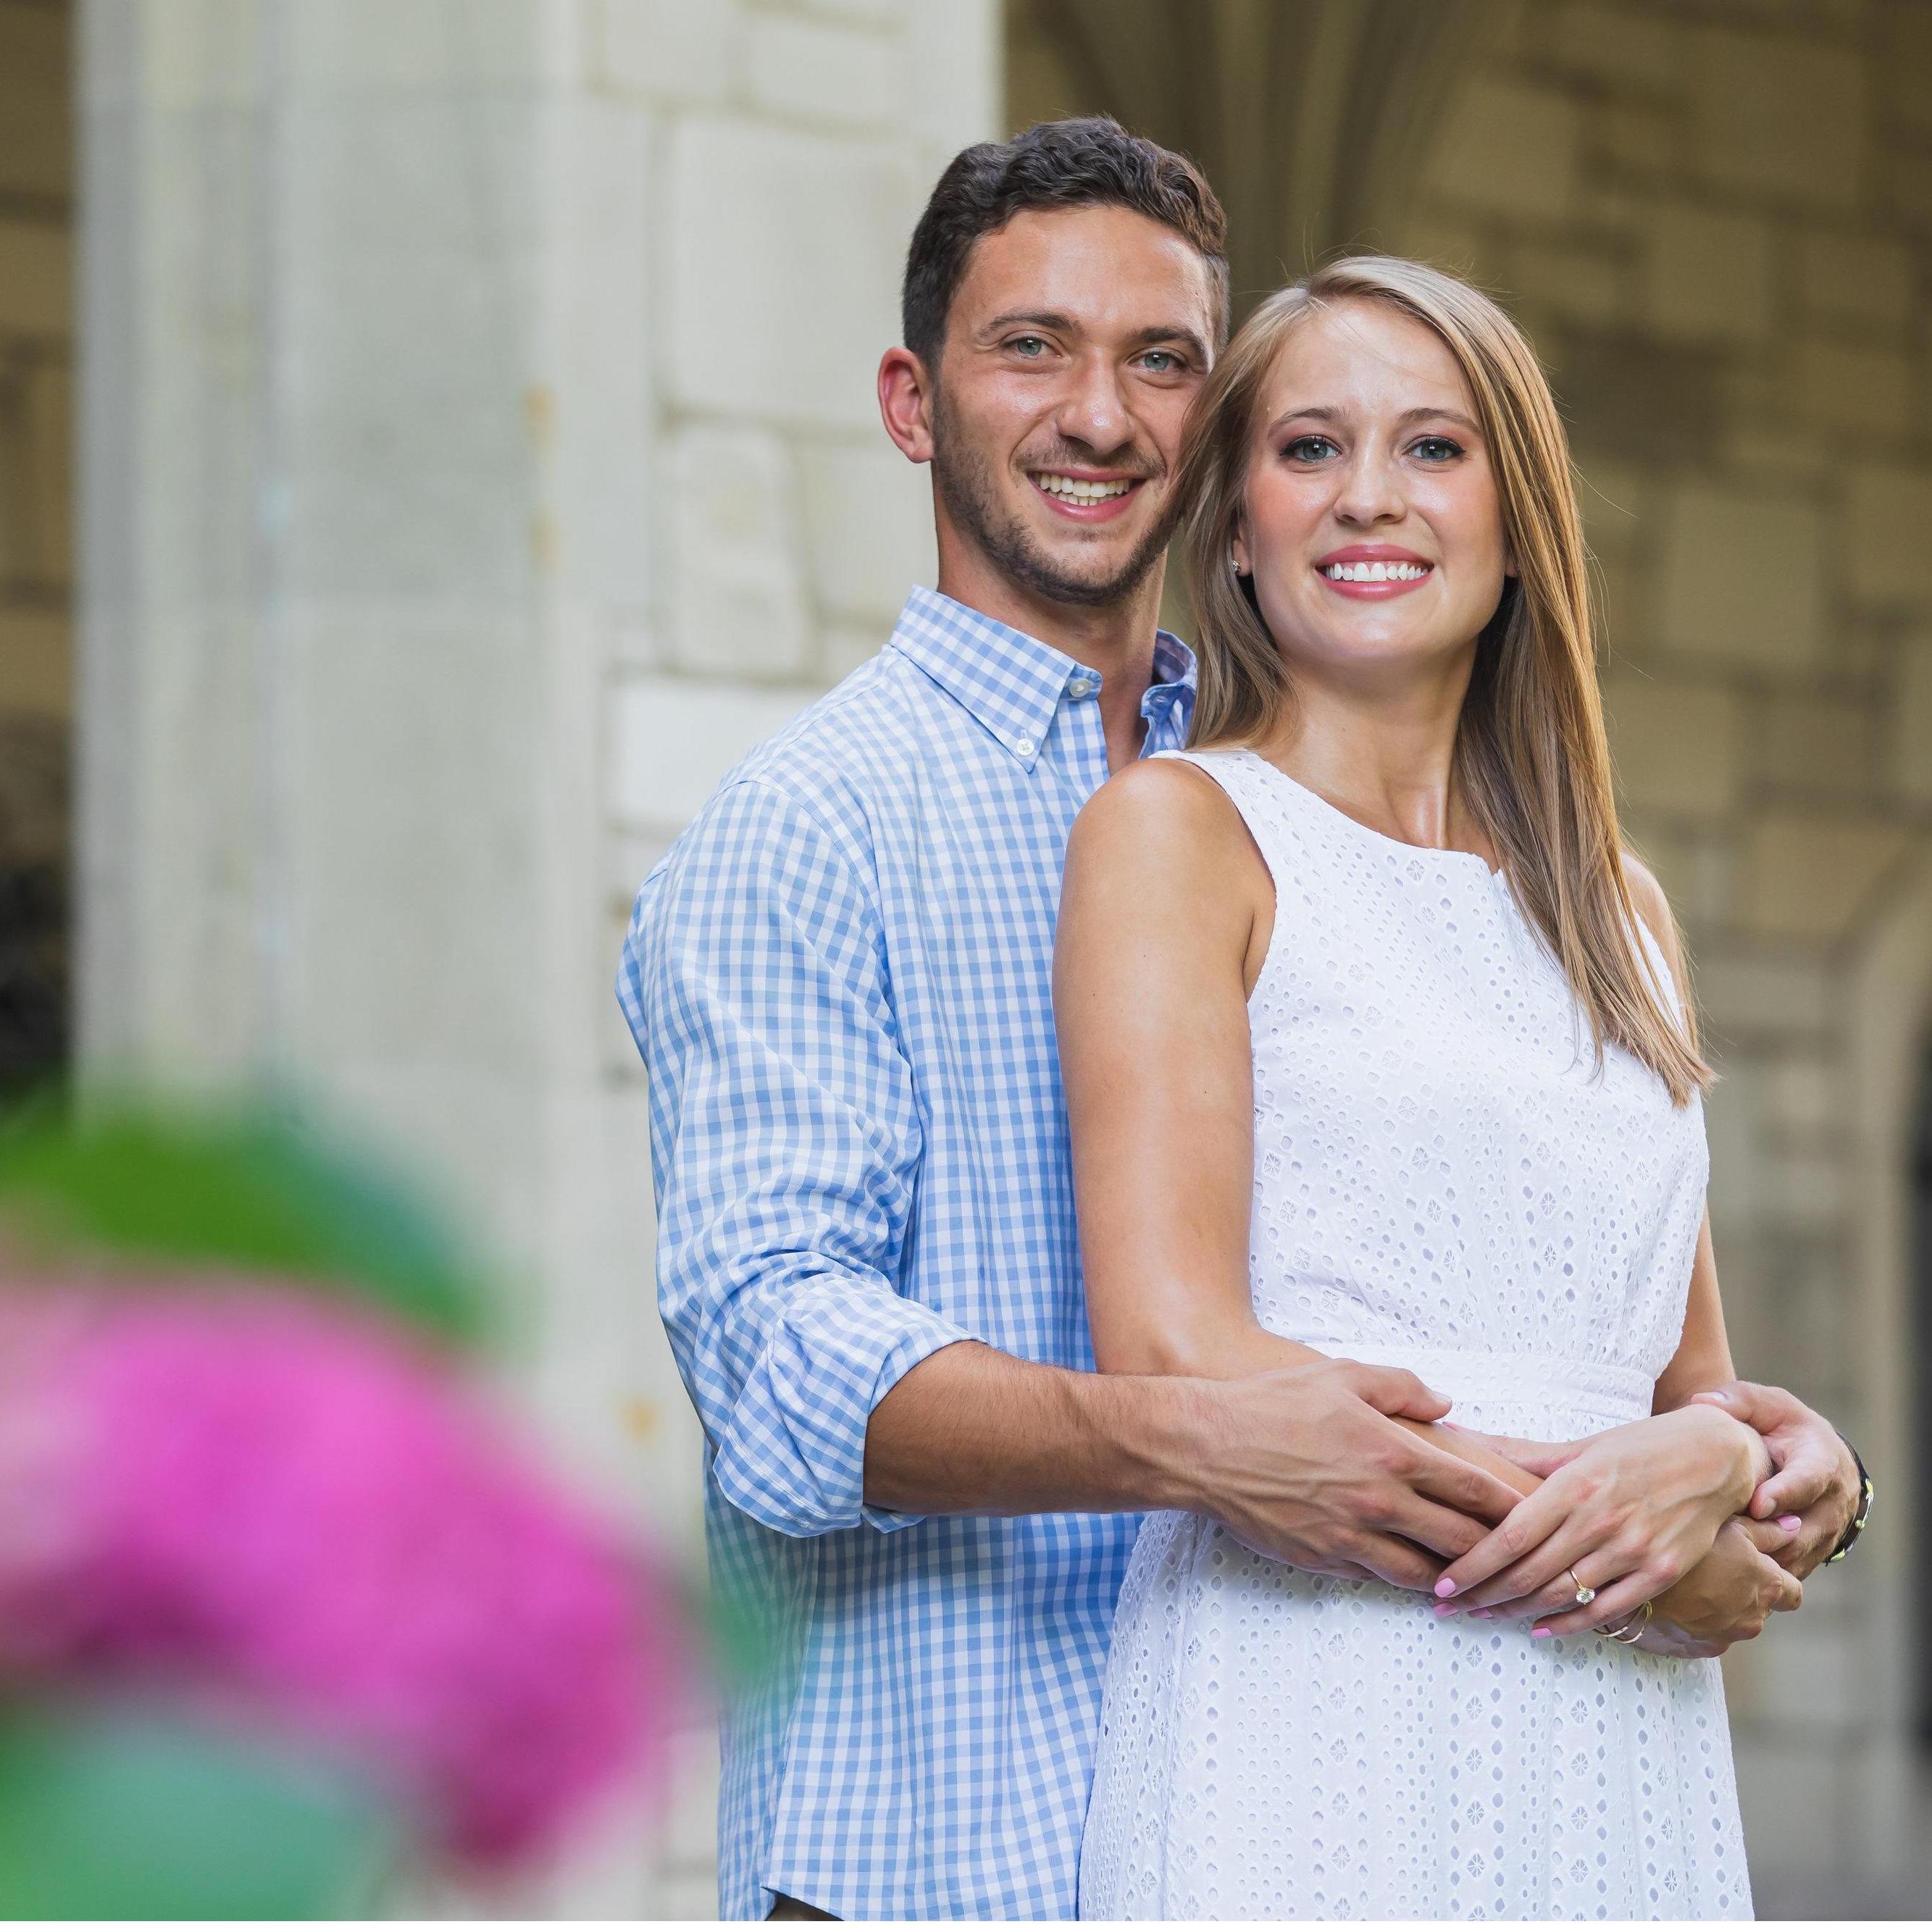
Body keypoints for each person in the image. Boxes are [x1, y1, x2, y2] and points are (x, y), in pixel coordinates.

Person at [620, 122, 1864, 1921]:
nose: (1101, 416)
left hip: (1469, 1743)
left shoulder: (1329, 788)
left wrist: (1758, 1462)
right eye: (1030, 346)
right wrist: (1188, 1435)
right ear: (912, 401)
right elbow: (774, 1365)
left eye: (1161, 361)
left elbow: (1615, 1330)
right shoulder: (810, 826)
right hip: (948, 1840)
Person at [1064, 256, 1871, 1920]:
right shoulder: (1178, 832)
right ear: (1229, 524)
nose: (1367, 495)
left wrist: (1774, 1471)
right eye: (1305, 448)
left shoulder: (1615, 902)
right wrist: (1648, 1521)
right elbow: (1179, 1348)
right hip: (1310, 1704)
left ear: (1516, 524)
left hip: (1621, 1744)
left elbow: (1682, 1381)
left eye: (1432, 447)